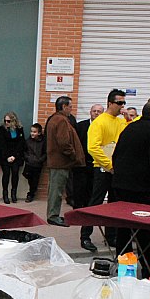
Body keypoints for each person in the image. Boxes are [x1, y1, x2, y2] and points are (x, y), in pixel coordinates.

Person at [112, 100, 150, 278]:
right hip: (142, 189)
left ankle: (123, 268)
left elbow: (116, 155)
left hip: (121, 186)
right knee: (145, 231)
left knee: (123, 229)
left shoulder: (129, 128)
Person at [80, 89, 132, 251]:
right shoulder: (100, 122)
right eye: (119, 103)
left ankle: (111, 236)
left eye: (124, 103)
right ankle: (85, 236)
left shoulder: (121, 121)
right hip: (103, 169)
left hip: (117, 170)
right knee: (95, 203)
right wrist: (109, 166)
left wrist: (129, 120)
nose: (122, 106)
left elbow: (130, 137)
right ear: (110, 103)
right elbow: (93, 148)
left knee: (114, 204)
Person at [45, 96, 86, 227]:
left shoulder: (54, 119)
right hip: (60, 162)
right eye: (70, 107)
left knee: (55, 189)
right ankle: (53, 216)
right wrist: (74, 155)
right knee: (56, 190)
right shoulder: (61, 120)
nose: (71, 110)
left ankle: (53, 215)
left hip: (58, 161)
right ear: (64, 107)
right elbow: (64, 143)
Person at [73, 104, 104, 225]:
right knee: (79, 187)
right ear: (90, 112)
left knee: (92, 188)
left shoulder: (103, 126)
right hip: (81, 162)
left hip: (96, 163)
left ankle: (88, 210)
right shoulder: (81, 126)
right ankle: (76, 210)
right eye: (94, 111)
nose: (96, 113)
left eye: (99, 111)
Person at [0, 111, 26, 204]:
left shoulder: (19, 129)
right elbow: (2, 144)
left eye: (8, 121)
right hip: (5, 156)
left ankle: (14, 194)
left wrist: (14, 156)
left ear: (13, 121)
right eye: (5, 121)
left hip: (16, 156)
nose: (6, 123)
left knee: (15, 173)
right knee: (6, 174)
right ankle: (5, 194)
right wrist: (7, 157)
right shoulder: (2, 129)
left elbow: (21, 143)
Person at [23, 123, 46, 203]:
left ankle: (31, 194)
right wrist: (28, 158)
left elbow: (45, 153)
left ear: (39, 133)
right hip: (29, 163)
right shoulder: (28, 141)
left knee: (35, 180)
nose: (32, 133)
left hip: (38, 165)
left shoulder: (43, 142)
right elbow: (25, 151)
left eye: (34, 132)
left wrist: (40, 160)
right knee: (27, 175)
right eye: (31, 131)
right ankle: (31, 192)